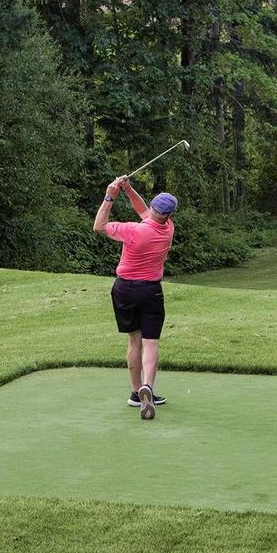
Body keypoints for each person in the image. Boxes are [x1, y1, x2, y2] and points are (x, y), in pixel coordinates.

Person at [93, 175, 178, 420]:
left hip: (125, 289)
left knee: (134, 340)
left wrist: (111, 195)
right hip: (151, 290)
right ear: (169, 215)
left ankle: (134, 393)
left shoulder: (133, 231)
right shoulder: (168, 229)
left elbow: (99, 226)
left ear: (154, 209)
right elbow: (144, 211)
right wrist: (129, 190)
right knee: (151, 342)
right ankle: (148, 388)